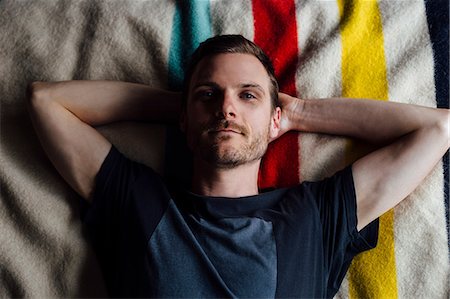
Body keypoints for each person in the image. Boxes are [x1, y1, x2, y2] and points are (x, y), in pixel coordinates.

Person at [27, 35, 449, 298]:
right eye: (210, 94)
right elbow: (47, 102)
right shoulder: (138, 199)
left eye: (248, 96)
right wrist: (184, 108)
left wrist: (299, 112)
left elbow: (438, 128)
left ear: (274, 118)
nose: (226, 108)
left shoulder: (316, 216)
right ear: (183, 116)